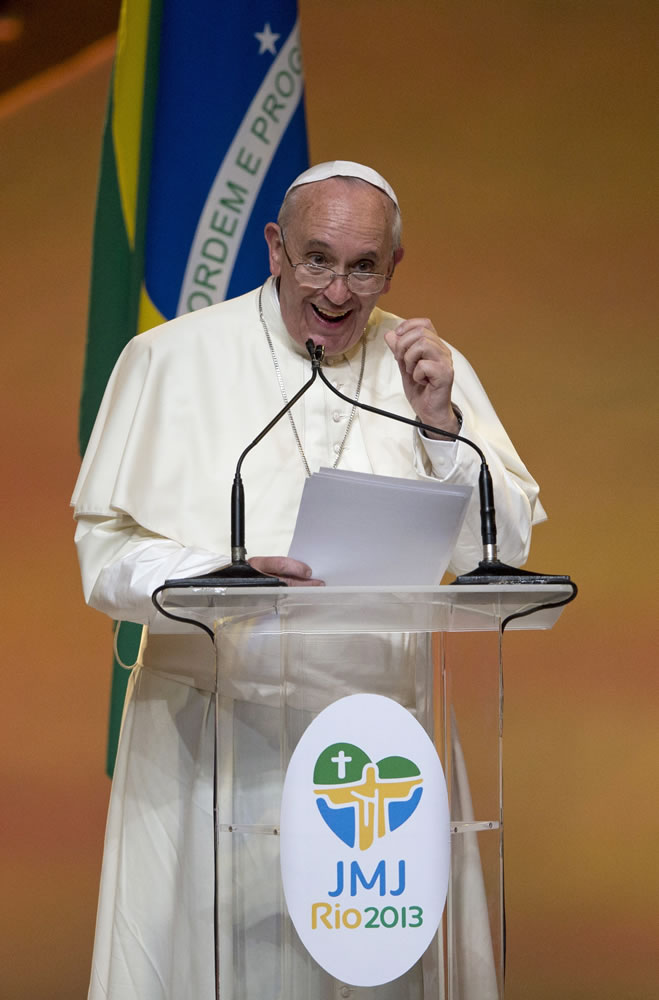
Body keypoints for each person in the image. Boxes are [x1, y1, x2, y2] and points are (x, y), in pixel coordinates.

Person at [72, 161, 545, 1000]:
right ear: (274, 249)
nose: (336, 290)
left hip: (381, 749)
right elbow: (105, 559)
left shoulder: (429, 370)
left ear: (393, 269)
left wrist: (440, 430)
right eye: (316, 259)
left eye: (363, 267)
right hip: (213, 746)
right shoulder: (169, 359)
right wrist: (222, 578)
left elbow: (497, 552)